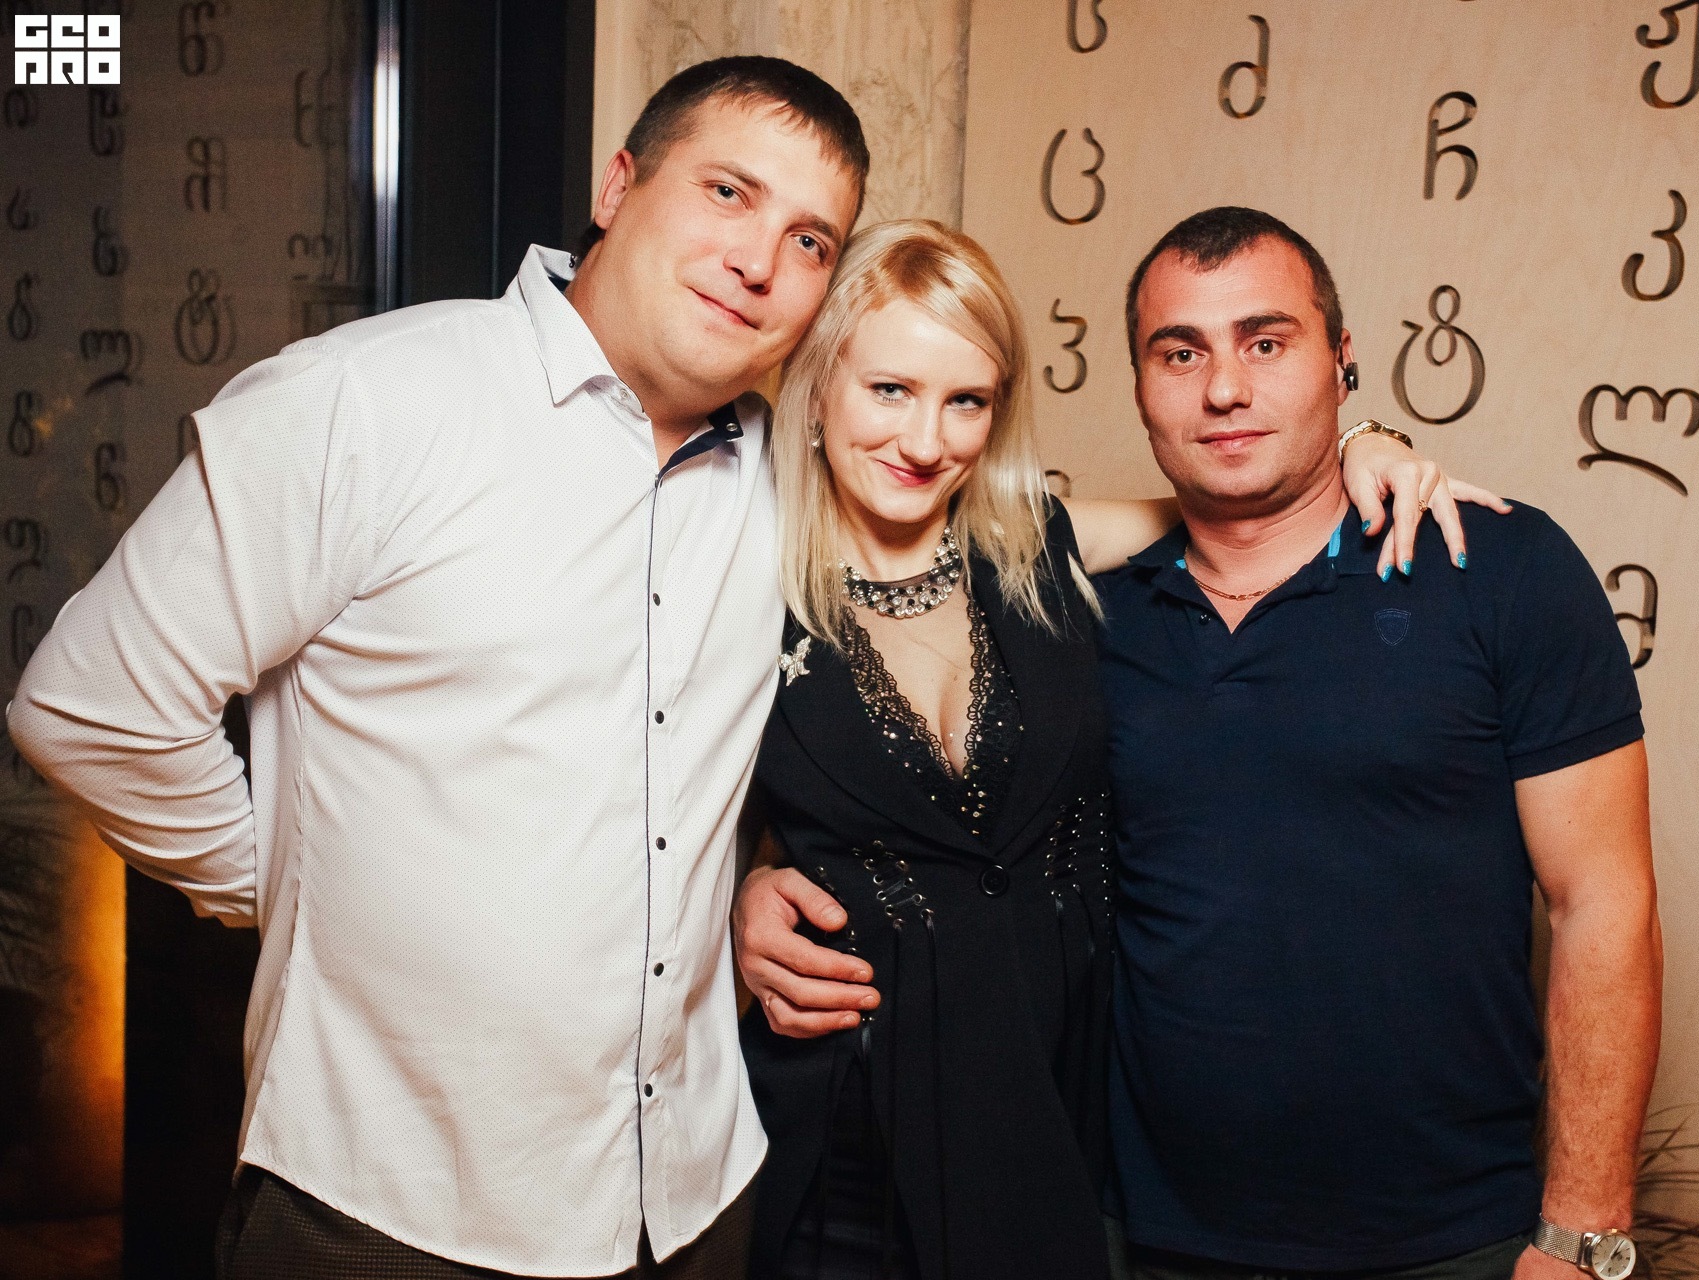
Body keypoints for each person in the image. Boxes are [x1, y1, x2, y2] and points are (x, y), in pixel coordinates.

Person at [3, 54, 1454, 1280]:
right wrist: (294, 888)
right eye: (728, 194)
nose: (763, 258)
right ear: (618, 184)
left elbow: (1082, 521)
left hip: (697, 1194)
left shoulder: (778, 482)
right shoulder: (368, 404)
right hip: (394, 1199)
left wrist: (1350, 452)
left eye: (812, 238)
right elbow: (92, 708)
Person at [735, 206, 1662, 1280]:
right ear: (1139, 385)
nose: (1225, 388)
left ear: (1342, 358)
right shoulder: (1085, 607)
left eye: (1266, 342)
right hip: (1137, 1230)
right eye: (1181, 353)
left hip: (1453, 1239)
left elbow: (1604, 902)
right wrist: (750, 891)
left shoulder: (1495, 567)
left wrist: (1581, 1234)